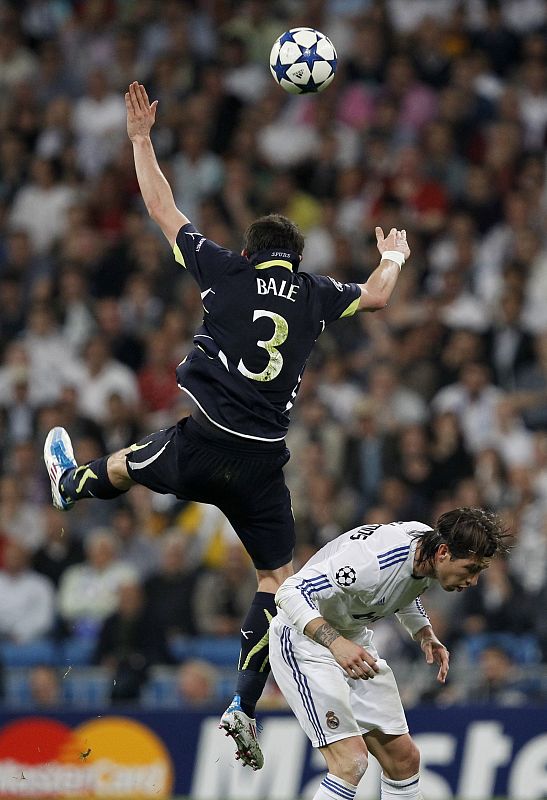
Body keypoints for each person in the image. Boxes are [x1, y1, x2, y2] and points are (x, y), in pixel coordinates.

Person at [44, 81, 410, 770]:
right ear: (293, 258)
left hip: (206, 438)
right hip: (264, 459)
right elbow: (382, 295)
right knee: (277, 579)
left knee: (125, 465)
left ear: (249, 251)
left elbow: (159, 206)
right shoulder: (315, 293)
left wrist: (140, 138)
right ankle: (243, 699)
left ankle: (69, 485)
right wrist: (390, 253)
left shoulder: (223, 271)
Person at [269, 507, 508, 800]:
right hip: (303, 640)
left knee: (404, 760)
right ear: (444, 552)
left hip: (351, 641)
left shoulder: (426, 550)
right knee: (350, 762)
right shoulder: (371, 562)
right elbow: (289, 592)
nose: (473, 581)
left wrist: (423, 631)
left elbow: (404, 589)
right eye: (471, 569)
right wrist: (335, 644)